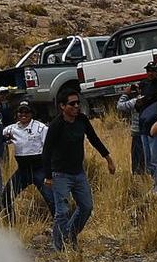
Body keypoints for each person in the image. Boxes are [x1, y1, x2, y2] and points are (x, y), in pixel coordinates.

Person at [47, 90, 114, 251]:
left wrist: (108, 159)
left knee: (86, 207)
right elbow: (46, 151)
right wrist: (48, 176)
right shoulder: (56, 125)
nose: (77, 106)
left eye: (78, 102)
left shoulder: (82, 120)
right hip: (60, 174)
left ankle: (70, 234)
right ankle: (60, 247)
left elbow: (94, 139)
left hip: (78, 172)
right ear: (62, 106)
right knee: (62, 211)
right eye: (72, 104)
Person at [2, 101, 51, 212]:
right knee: (6, 196)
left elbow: (49, 148)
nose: (23, 114)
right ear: (16, 113)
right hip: (22, 170)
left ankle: (61, 222)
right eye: (20, 112)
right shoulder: (11, 129)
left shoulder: (41, 128)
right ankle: (10, 220)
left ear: (32, 113)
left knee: (52, 199)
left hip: (39, 169)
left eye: (27, 112)